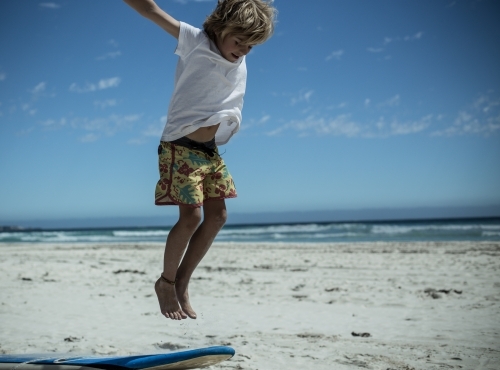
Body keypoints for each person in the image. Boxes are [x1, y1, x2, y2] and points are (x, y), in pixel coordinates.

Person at [123, 0, 276, 320]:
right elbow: (151, 11)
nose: (244, 50)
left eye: (252, 45)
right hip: (180, 144)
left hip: (210, 152)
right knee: (191, 217)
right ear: (221, 28)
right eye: (239, 41)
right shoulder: (196, 42)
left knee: (218, 216)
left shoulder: (239, 56)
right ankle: (165, 282)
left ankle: (182, 282)